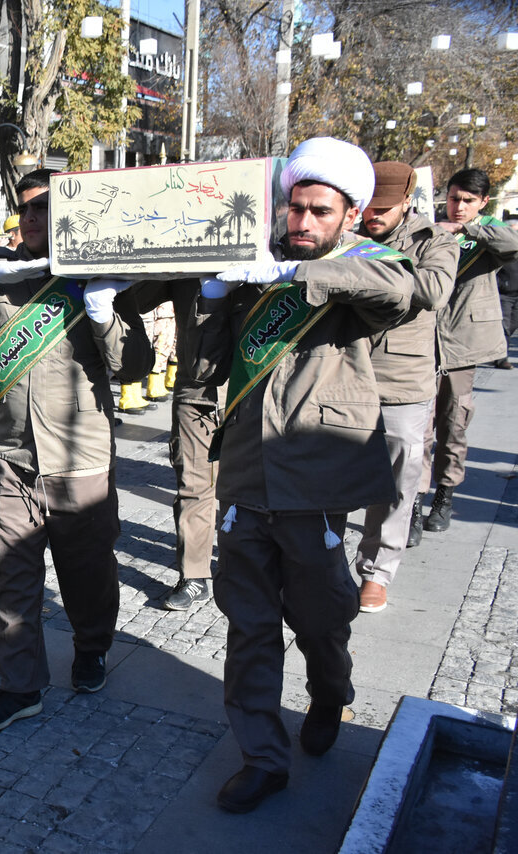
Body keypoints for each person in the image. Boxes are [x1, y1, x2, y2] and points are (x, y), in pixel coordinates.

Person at [194, 137, 413, 813]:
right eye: (297, 208)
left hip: (315, 484)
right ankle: (262, 756)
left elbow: (401, 292)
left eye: (321, 211)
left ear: (351, 215)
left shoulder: (361, 268)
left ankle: (329, 693)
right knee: (249, 623)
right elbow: (210, 367)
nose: (305, 223)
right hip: (245, 480)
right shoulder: (257, 262)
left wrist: (299, 276)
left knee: (322, 619)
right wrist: (210, 295)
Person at [0, 169, 152, 732]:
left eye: (45, 209)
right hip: (12, 456)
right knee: (15, 577)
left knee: (87, 572)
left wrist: (102, 315)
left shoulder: (99, 272)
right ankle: (19, 685)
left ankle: (93, 644)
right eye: (25, 209)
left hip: (80, 456)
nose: (32, 219)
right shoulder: (0, 273)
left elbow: (136, 366)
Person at [353, 162, 458, 611]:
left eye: (384, 208)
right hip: (344, 370)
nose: (373, 216)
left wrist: (358, 271)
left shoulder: (434, 240)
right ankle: (315, 558)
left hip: (403, 377)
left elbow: (433, 290)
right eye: (368, 207)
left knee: (399, 477)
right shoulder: (346, 233)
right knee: (325, 468)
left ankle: (377, 571)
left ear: (407, 203)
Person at [420, 168, 518, 532]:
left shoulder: (487, 233)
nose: (458, 207)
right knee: (420, 429)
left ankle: (444, 496)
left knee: (454, 422)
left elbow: (511, 245)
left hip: (463, 343)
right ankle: (413, 502)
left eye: (467, 201)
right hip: (423, 342)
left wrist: (467, 229)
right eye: (454, 198)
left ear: (483, 203)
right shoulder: (430, 229)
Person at [129, 279, 221, 611]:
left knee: (257, 489)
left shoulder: (273, 249)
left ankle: (258, 566)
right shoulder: (187, 260)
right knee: (194, 486)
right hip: (195, 393)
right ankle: (195, 575)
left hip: (254, 390)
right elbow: (137, 298)